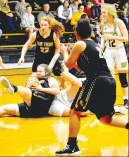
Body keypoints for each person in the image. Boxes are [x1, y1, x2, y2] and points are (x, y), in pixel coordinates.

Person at [55, 17, 129, 156]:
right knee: (105, 119)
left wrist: (65, 52)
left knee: (74, 111)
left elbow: (68, 65)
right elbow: (83, 69)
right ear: (90, 32)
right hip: (108, 81)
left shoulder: (80, 44)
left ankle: (72, 146)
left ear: (77, 33)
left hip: (97, 80)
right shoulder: (94, 44)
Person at [0, 63, 90, 119]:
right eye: (37, 70)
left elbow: (56, 91)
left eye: (40, 71)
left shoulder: (50, 79)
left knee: (28, 93)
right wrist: (29, 83)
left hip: (43, 102)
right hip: (32, 108)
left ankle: (14, 88)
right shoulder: (34, 79)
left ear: (46, 73)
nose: (38, 72)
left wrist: (40, 88)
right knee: (6, 109)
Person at [100, 4, 128, 108]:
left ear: (110, 12)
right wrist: (102, 45)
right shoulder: (103, 24)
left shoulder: (119, 22)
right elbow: (103, 37)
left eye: (104, 12)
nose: (102, 14)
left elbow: (126, 38)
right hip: (109, 52)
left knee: (122, 76)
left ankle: (126, 99)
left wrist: (112, 37)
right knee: (109, 76)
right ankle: (110, 99)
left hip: (120, 51)